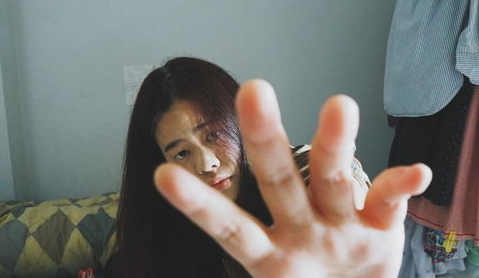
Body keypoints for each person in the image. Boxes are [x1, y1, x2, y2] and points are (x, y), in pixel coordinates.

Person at [107, 56, 432, 278]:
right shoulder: (157, 229)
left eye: (214, 134)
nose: (207, 163)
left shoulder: (300, 172)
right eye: (180, 154)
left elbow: (335, 192)